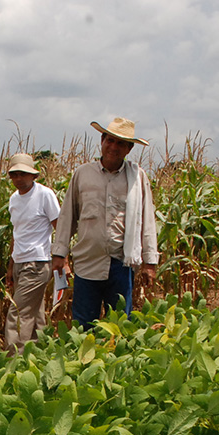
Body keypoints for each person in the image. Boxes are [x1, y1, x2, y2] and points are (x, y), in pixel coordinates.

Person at [51, 118, 158, 327]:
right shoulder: (83, 174)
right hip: (87, 262)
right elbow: (67, 216)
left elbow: (147, 220)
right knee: (83, 324)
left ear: (129, 148)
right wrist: (59, 253)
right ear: (102, 140)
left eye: (120, 143)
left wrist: (150, 262)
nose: (113, 147)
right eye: (110, 141)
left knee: (118, 326)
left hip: (121, 264)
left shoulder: (137, 178)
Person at [4, 153, 60, 352]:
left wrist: (63, 260)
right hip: (20, 262)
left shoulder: (44, 195)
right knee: (35, 316)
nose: (18, 179)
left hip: (37, 263)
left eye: (22, 174)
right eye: (14, 175)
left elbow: (59, 228)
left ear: (33, 175)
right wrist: (11, 267)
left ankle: (12, 362)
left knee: (17, 314)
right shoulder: (14, 199)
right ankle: (42, 354)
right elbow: (16, 233)